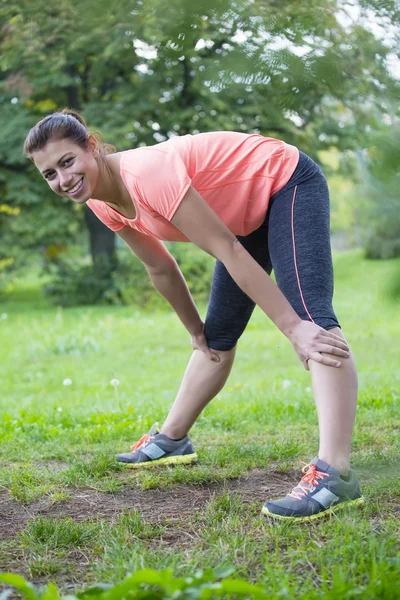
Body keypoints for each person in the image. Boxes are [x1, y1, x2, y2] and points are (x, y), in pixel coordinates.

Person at [24, 109, 364, 522]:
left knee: (311, 318)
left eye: (67, 162)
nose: (63, 180)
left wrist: (293, 328)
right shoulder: (102, 201)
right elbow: (160, 268)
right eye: (49, 174)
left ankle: (335, 473)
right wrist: (194, 330)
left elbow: (227, 249)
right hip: (246, 215)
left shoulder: (145, 172)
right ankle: (172, 439)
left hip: (285, 180)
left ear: (91, 148)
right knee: (216, 334)